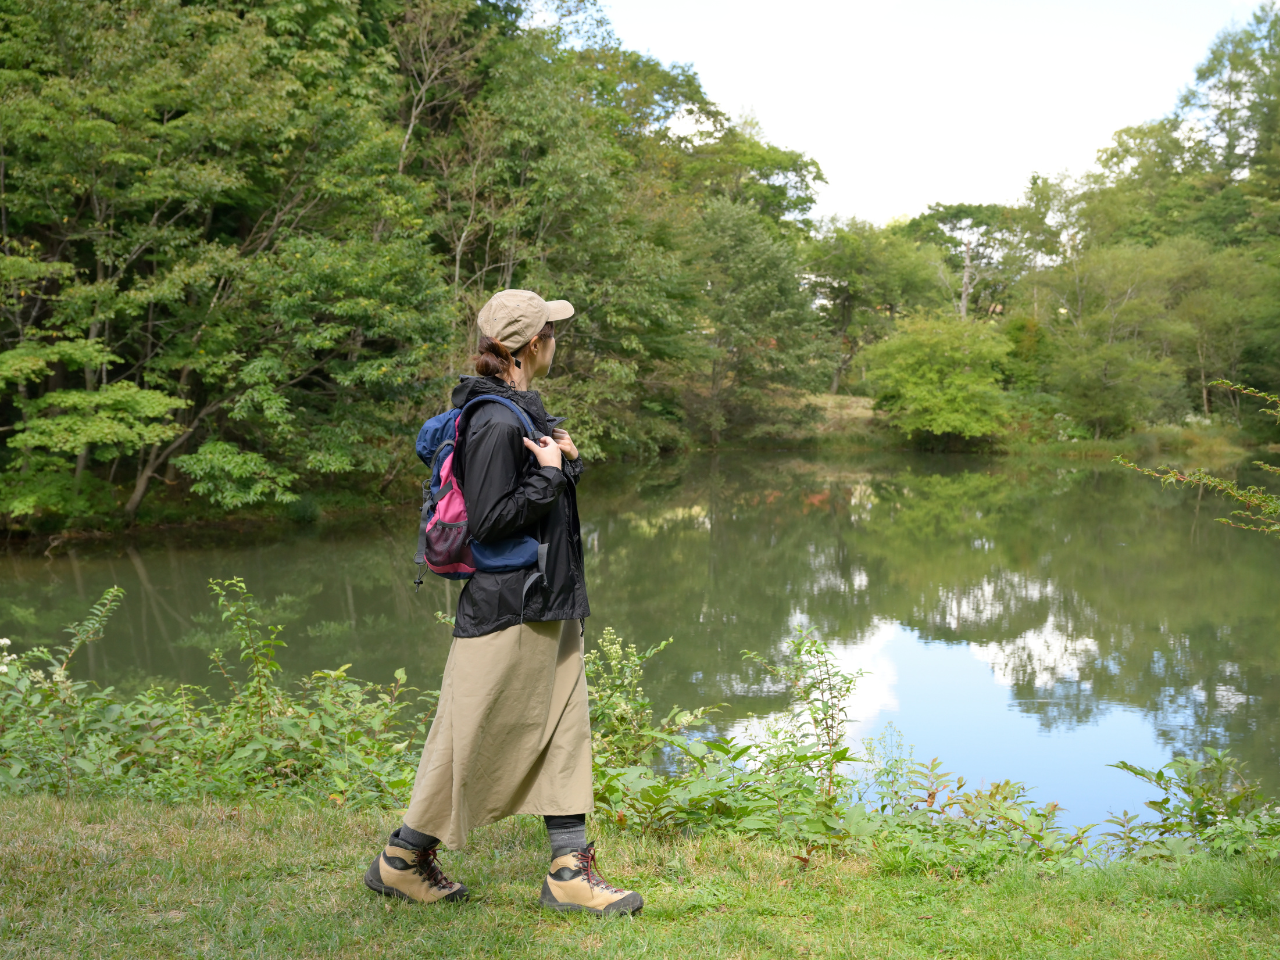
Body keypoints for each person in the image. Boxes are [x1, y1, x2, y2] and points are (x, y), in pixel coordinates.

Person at [363, 289, 642, 916]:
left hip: (543, 603)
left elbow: (533, 506)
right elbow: (489, 521)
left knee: (563, 731)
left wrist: (560, 465)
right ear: (527, 347)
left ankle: (569, 872)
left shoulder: (521, 413)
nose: (556, 339)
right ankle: (402, 859)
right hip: (507, 607)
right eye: (551, 330)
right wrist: (547, 475)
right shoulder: (495, 421)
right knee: (467, 736)